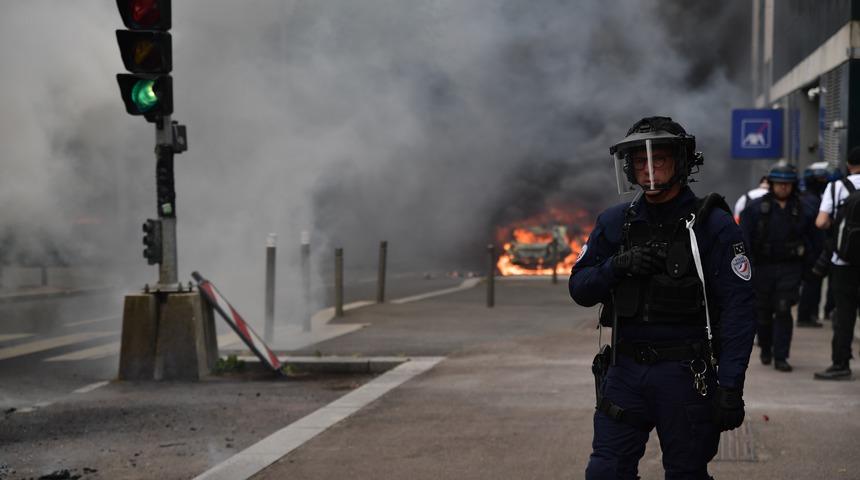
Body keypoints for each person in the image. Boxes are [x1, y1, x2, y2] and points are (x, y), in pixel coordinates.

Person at [570, 116, 755, 479]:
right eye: (640, 161)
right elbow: (580, 288)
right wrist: (616, 266)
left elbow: (739, 310)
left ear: (682, 162)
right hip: (625, 373)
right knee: (605, 471)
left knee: (686, 472)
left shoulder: (711, 225)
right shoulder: (615, 222)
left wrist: (731, 385)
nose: (649, 169)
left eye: (659, 159)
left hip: (685, 376)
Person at [739, 163, 817, 372]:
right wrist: (748, 269)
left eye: (787, 184)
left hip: (790, 268)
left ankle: (781, 356)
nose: (783, 188)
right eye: (779, 184)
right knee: (763, 314)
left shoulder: (803, 210)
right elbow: (744, 241)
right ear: (772, 184)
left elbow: (814, 240)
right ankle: (766, 347)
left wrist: (812, 269)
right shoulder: (754, 209)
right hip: (762, 268)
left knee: (783, 310)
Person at [814, 147, 860, 380]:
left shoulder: (836, 187)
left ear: (848, 164)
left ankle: (841, 363)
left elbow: (821, 222)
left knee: (844, 314)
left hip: (843, 262)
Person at [796, 162, 831, 328]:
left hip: (811, 248)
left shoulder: (809, 198)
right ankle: (806, 315)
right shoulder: (811, 201)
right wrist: (810, 250)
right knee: (812, 283)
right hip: (811, 249)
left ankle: (810, 314)